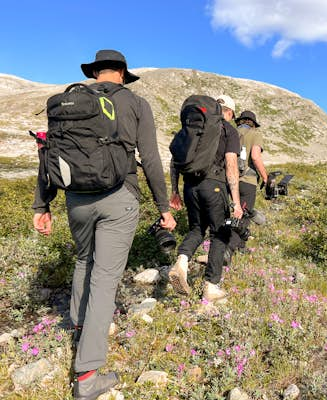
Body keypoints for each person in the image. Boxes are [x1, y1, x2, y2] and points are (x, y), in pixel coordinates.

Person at [32, 49, 176, 399]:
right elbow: (151, 157)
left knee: (84, 260)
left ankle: (80, 326)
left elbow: (49, 151)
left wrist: (42, 204)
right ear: (123, 73)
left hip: (75, 198)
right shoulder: (136, 104)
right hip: (119, 194)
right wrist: (164, 206)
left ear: (95, 72)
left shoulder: (70, 102)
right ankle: (88, 374)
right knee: (106, 278)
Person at [168, 94, 242, 302]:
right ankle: (211, 286)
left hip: (190, 186)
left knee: (197, 229)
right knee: (220, 234)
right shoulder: (228, 130)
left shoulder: (193, 128)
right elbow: (231, 165)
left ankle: (181, 263)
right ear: (229, 112)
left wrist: (174, 190)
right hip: (214, 185)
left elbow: (175, 162)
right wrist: (235, 201)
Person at [226, 110, 268, 260]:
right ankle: (229, 250)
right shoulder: (255, 134)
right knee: (244, 216)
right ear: (253, 123)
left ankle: (239, 246)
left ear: (239, 121)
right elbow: (255, 157)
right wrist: (265, 177)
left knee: (230, 213)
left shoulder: (230, 132)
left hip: (228, 180)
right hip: (247, 181)